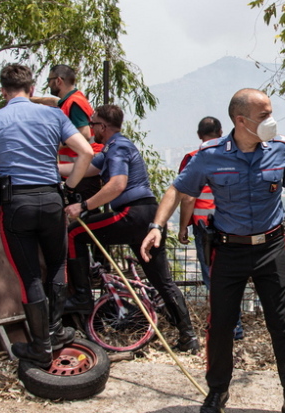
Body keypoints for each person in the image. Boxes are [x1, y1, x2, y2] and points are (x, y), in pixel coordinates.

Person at [141, 88, 285, 413]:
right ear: (241, 121)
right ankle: (217, 390)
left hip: (271, 248)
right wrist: (156, 226)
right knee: (221, 325)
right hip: (228, 250)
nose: (271, 121)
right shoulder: (210, 156)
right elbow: (177, 190)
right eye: (264, 115)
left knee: (283, 325)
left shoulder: (280, 150)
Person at [0, 63, 94, 368]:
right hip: (52, 199)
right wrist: (68, 187)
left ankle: (40, 346)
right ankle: (55, 331)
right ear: (32, 89)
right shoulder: (53, 114)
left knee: (29, 277)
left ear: (3, 92)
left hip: (15, 206)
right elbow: (87, 151)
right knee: (56, 265)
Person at [62, 104, 200, 353]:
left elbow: (117, 185)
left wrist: (83, 206)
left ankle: (82, 296)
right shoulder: (112, 148)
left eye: (93, 124)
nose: (90, 128)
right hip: (148, 216)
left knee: (75, 234)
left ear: (102, 127)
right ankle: (188, 336)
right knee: (162, 281)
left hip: (133, 213)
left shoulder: (118, 147)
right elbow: (83, 169)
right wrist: (47, 169)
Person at [178, 116, 245, 340]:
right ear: (221, 132)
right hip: (232, 223)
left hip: (205, 226)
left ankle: (228, 327)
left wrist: (182, 227)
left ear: (199, 135)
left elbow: (187, 197)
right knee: (232, 274)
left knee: (213, 276)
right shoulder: (235, 156)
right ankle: (235, 325)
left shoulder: (193, 159)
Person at [31, 64, 104, 199]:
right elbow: (53, 101)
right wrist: (30, 99)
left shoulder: (74, 103)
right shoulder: (70, 100)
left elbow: (85, 133)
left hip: (84, 169)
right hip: (78, 168)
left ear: (58, 80)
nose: (48, 85)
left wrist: (56, 144)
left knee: (84, 213)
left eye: (49, 81)